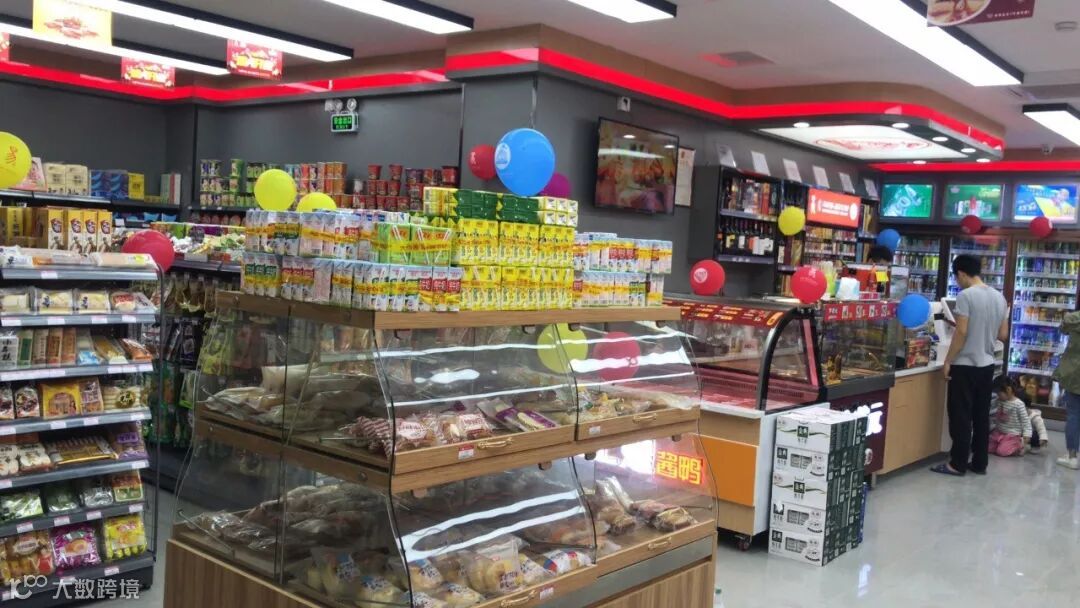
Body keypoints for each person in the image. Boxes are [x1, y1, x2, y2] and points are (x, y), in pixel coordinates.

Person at [932, 254, 1009, 477]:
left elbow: (962, 332)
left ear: (961, 274)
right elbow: (1003, 335)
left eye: (957, 278)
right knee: (981, 416)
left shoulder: (965, 296)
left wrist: (948, 361)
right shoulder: (999, 297)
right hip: (987, 365)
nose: (958, 282)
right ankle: (979, 463)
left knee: (961, 416)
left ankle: (957, 463)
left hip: (965, 365)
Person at [1052, 310, 1080, 470]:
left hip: (1075, 373)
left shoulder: (1074, 318)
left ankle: (1072, 456)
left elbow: (1062, 328)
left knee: (1074, 414)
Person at [988, 376, 1032, 457]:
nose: (998, 396)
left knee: (1002, 452)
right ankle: (1004, 444)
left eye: (999, 394)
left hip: (1012, 435)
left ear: (1008, 390)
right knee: (988, 448)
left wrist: (1027, 435)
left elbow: (1026, 421)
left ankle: (1020, 445)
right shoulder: (1000, 401)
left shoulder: (1018, 404)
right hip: (999, 432)